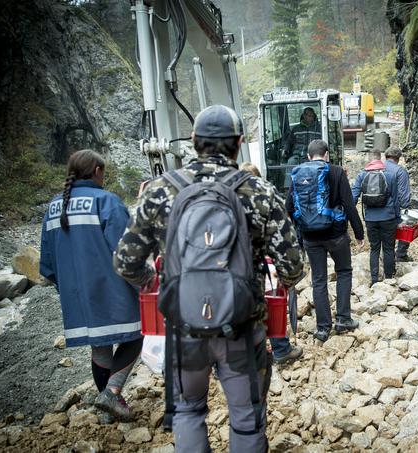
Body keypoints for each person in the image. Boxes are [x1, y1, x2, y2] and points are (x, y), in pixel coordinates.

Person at [113, 105, 304, 452]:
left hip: (183, 327)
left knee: (187, 411)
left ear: (193, 141)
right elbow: (293, 265)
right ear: (240, 143)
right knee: (247, 418)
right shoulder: (259, 192)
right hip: (243, 328)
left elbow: (125, 262)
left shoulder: (160, 190)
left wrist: (153, 278)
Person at [39, 149, 143, 422]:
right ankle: (112, 392)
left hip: (78, 299)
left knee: (100, 347)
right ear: (97, 171)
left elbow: (47, 265)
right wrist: (144, 283)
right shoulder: (106, 202)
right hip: (112, 292)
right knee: (138, 334)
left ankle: (109, 408)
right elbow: (127, 254)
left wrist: (71, 290)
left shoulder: (53, 208)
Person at [286, 139, 365, 342]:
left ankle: (322, 328)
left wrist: (299, 234)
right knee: (344, 272)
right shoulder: (337, 171)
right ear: (327, 155)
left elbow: (288, 208)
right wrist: (359, 233)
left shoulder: (298, 173)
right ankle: (343, 319)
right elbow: (349, 204)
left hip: (311, 238)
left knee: (319, 280)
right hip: (336, 235)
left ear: (308, 156)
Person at [239, 161, 303, 364]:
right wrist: (289, 275)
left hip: (235, 270)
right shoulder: (267, 199)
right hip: (265, 265)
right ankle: (281, 348)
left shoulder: (227, 200)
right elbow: (283, 239)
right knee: (273, 303)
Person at [352, 150, 404, 285]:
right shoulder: (390, 176)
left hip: (370, 219)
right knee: (388, 248)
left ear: (368, 160)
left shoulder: (362, 175)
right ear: (380, 159)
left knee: (374, 248)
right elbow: (396, 200)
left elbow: (353, 197)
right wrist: (398, 219)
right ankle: (388, 279)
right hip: (388, 218)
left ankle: (374, 280)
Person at [385, 146, 412, 262]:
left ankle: (385, 257)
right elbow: (404, 196)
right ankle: (401, 255)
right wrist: (406, 210)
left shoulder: (376, 168)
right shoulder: (400, 172)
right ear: (398, 158)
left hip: (375, 210)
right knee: (408, 222)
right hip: (393, 210)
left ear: (386, 156)